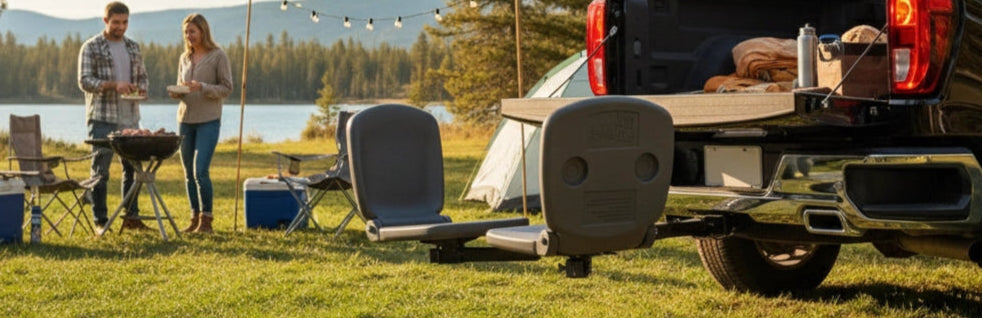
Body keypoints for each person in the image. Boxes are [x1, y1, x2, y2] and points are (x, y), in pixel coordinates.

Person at [78, 2, 150, 232]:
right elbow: (85, 81)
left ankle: (131, 217)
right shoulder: (91, 47)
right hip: (102, 117)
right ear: (106, 21)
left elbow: (142, 78)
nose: (121, 27)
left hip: (129, 118)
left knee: (133, 169)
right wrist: (113, 85)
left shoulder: (133, 47)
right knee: (101, 170)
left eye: (125, 22)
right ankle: (100, 221)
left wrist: (141, 91)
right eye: (116, 22)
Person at [168, 13, 233, 233]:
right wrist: (178, 92)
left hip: (208, 121)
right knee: (188, 173)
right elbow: (182, 85)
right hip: (185, 120)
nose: (189, 36)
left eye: (192, 31)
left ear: (203, 31)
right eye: (186, 32)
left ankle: (207, 220)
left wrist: (203, 87)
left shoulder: (218, 56)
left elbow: (226, 88)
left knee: (201, 172)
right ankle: (194, 218)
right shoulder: (184, 58)